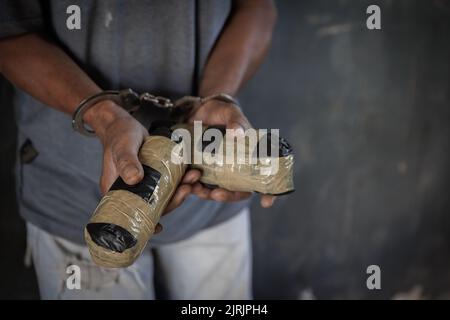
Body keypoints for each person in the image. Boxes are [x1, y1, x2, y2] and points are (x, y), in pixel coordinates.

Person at [0, 0, 277, 299]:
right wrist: (104, 117)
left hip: (207, 197)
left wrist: (216, 96)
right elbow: (8, 34)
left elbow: (257, 7)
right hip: (82, 206)